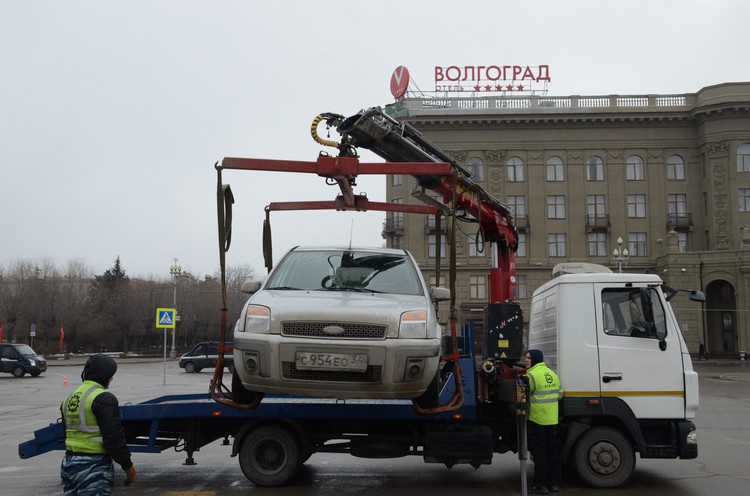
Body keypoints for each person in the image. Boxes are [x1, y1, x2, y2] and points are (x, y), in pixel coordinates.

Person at [60, 354, 135, 495]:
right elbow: (114, 437)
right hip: (93, 467)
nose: (111, 379)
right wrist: (127, 465)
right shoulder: (103, 398)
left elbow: (66, 433)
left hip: (69, 464)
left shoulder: (69, 398)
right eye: (111, 375)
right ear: (104, 375)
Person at [524, 349, 563, 494]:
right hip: (552, 420)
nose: (526, 360)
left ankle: (540, 485)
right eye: (525, 357)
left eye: (528, 358)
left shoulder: (531, 375)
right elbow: (559, 394)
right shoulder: (552, 374)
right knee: (552, 452)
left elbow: (525, 396)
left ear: (535, 359)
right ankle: (553, 484)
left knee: (540, 454)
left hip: (537, 420)